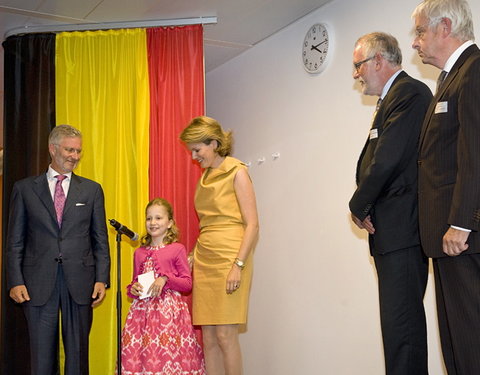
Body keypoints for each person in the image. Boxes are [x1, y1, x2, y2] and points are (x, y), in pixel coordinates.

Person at [349, 33, 432, 375]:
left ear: (378, 61)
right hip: (392, 234)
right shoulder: (392, 99)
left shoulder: (409, 93)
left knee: (403, 332)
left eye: (358, 65)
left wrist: (358, 205)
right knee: (397, 332)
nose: (356, 75)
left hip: (402, 232)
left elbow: (387, 160)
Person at [6, 124, 111, 375]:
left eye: (78, 151)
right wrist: (15, 281)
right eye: (69, 150)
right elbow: (14, 241)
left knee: (78, 356)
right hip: (37, 282)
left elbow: (100, 239)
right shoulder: (24, 189)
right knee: (41, 357)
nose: (75, 156)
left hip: (81, 282)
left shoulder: (92, 190)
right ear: (53, 149)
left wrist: (101, 279)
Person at [412, 0, 480, 373]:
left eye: (420, 31)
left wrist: (461, 222)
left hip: (464, 238)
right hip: (445, 240)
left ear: (445, 27)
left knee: (471, 342)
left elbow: (476, 153)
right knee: (456, 346)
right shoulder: (449, 80)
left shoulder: (474, 71)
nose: (416, 43)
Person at [180, 116, 259, 375]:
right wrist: (192, 256)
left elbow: (253, 225)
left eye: (197, 149)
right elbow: (207, 224)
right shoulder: (204, 178)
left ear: (214, 143)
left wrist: (238, 264)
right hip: (205, 259)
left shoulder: (237, 171)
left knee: (226, 336)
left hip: (230, 259)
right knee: (210, 338)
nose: (194, 156)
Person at [119, 197, 206, 374]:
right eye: (149, 218)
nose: (153, 222)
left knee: (167, 358)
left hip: (169, 316)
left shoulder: (177, 249)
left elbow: (187, 283)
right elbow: (134, 282)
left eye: (158, 218)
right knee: (144, 358)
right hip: (141, 316)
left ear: (169, 223)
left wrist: (165, 278)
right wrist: (133, 289)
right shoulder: (139, 253)